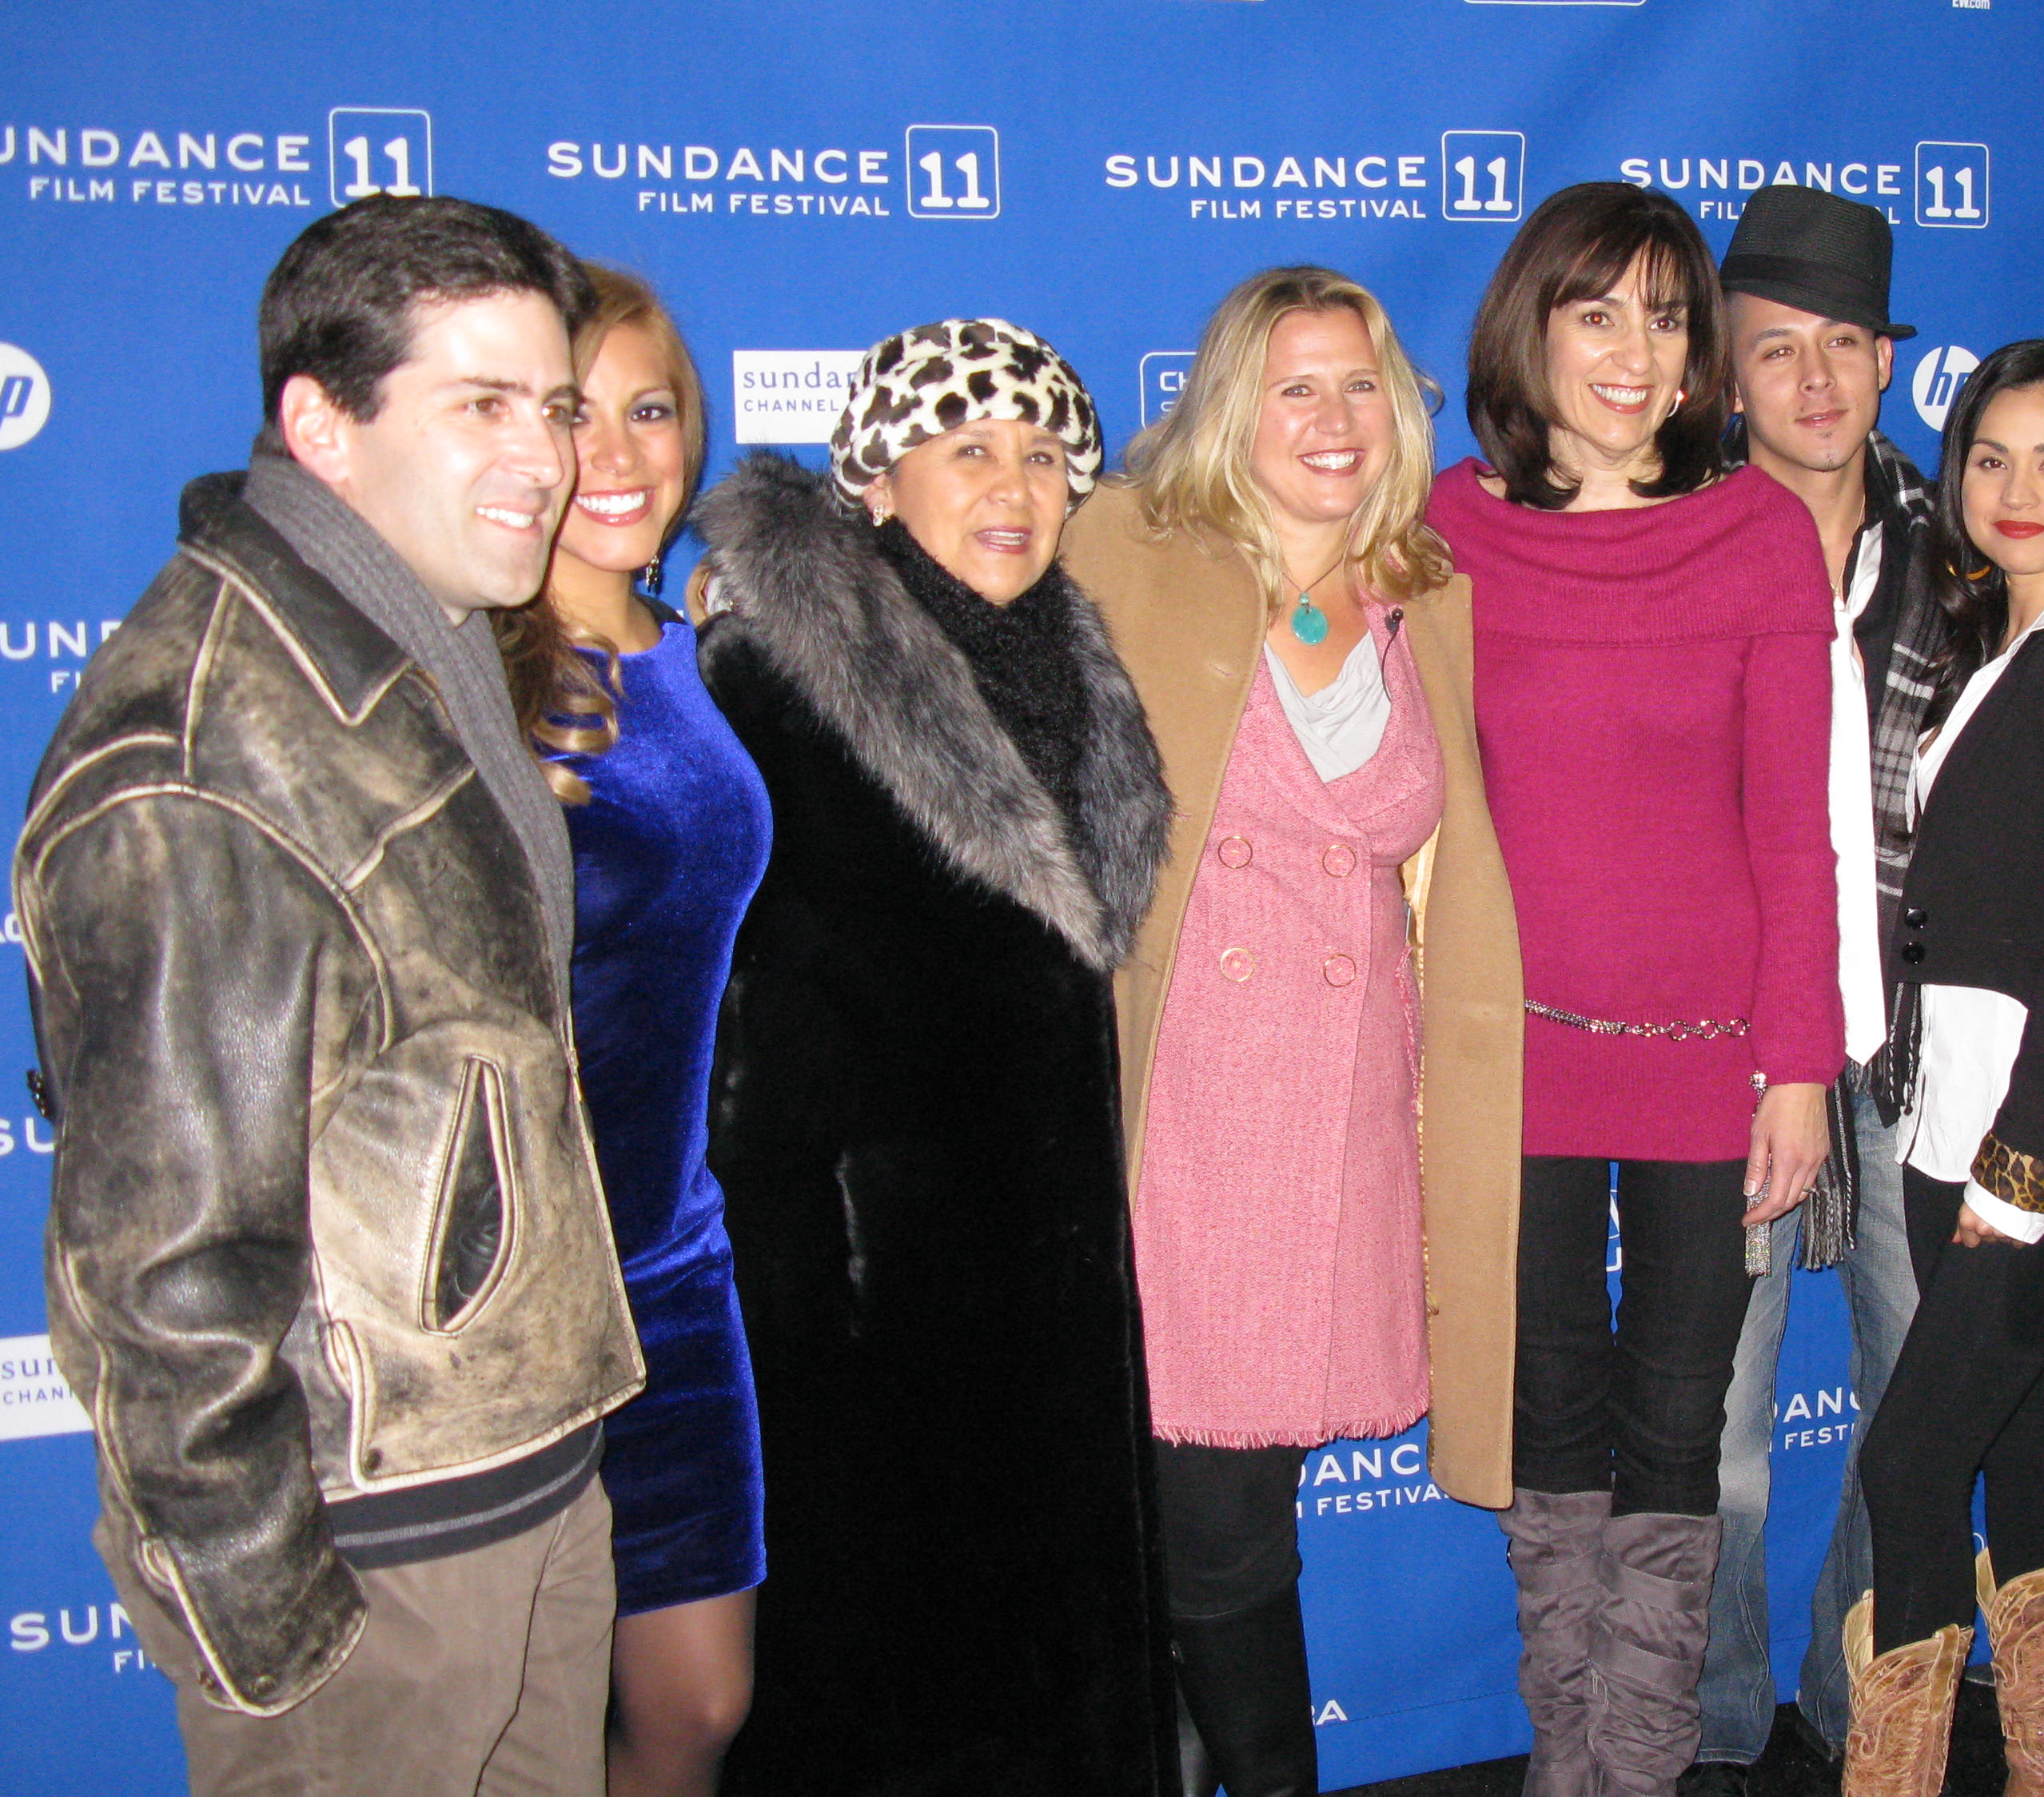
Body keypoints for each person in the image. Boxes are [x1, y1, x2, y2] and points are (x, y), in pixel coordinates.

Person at [16, 195, 643, 1791]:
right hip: (372, 1547)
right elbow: (156, 1271)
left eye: (555, 404)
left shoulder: (412, 645)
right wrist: (276, 1633)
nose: (546, 456)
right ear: (322, 420)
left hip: (511, 1469)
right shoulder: (209, 752)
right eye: (480, 405)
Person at [691, 318, 1177, 1793]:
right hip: (863, 1309)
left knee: (1056, 1669)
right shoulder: (771, 687)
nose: (1013, 486)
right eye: (968, 449)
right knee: (892, 1692)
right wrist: (803, 1291)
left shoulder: (1078, 670)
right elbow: (743, 1044)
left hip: (1052, 1283)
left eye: (1042, 455)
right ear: (877, 480)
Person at [1073, 265, 1524, 1797]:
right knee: (1214, 1529)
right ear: (1228, 408)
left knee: (1234, 1517)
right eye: (1293, 387)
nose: (1331, 420)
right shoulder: (1128, 552)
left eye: (1357, 387)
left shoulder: (1434, 593)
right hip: (1185, 1120)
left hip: (1348, 1124)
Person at [1426, 180, 1841, 1797]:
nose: (1634, 347)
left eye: (1666, 316)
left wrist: (1794, 1062)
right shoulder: (1445, 531)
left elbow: (1788, 832)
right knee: (1546, 1416)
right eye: (1596, 309)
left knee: (1680, 1429)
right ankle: (1566, 1754)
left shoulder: (1752, 533)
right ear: (1529, 329)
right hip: (1508, 1064)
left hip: (1706, 1063)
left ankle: (1642, 1763)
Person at [1839, 341, 2044, 1797]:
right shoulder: (1998, 652)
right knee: (2025, 1461)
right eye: (1989, 458)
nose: (2018, 490)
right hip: (1944, 1113)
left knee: (1910, 1469)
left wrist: (2025, 1171)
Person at [490, 264, 767, 1797]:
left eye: (648, 410)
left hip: (678, 1263)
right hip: (510, 1295)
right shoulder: (470, 677)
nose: (616, 454)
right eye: (567, 415)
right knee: (514, 1728)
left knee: (699, 1708)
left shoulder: (702, 649)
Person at [1694, 182, 1935, 1787]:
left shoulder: (1964, 545)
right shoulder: (1664, 546)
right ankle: (1709, 1725)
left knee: (1918, 1397)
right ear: (1723, 370)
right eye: (1776, 349)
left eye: (1844, 343)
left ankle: (1863, 1714)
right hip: (1730, 1047)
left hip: (1919, 1052)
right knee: (1714, 1417)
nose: (1815, 379)